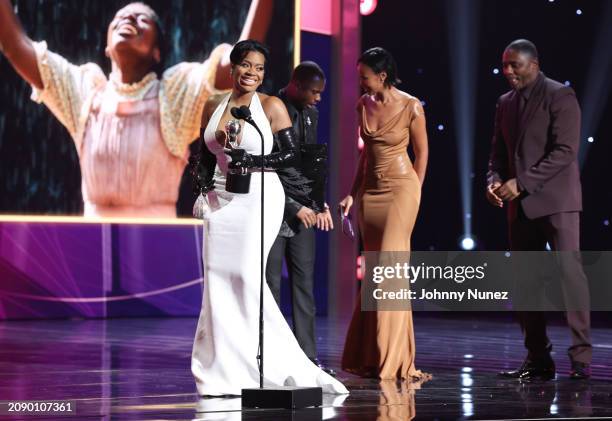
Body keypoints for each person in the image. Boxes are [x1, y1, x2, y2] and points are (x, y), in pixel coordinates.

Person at [0, 0, 272, 217]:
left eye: (143, 18)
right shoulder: (83, 94)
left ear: (157, 52)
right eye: (119, 18)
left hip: (155, 253)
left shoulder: (175, 97)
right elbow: (15, 45)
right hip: (91, 249)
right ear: (107, 47)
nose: (128, 19)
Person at [190, 40, 348, 396]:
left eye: (259, 68)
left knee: (247, 277)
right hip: (220, 201)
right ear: (233, 68)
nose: (252, 73)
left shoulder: (271, 106)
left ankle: (259, 363)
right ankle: (222, 368)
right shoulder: (214, 105)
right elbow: (204, 154)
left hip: (258, 198)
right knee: (217, 280)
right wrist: (201, 189)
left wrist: (253, 163)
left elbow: (290, 156)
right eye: (246, 65)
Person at [487, 39, 591, 380]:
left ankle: (581, 357)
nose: (508, 71)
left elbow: (565, 150)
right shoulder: (505, 103)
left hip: (557, 201)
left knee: (569, 275)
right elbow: (498, 155)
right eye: (504, 65)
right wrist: (494, 180)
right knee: (526, 280)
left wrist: (523, 182)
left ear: (534, 63)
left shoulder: (560, 95)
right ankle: (537, 357)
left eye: (514, 65)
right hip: (520, 205)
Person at [339, 47, 429, 380]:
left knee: (390, 271)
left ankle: (394, 360)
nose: (359, 81)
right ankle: (371, 354)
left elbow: (422, 154)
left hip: (402, 190)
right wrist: (352, 194)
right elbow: (366, 157)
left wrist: (415, 193)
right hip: (371, 197)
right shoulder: (363, 104)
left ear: (382, 75)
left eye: (364, 76)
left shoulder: (411, 106)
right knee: (377, 272)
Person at [265, 61, 335, 374]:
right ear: (296, 84)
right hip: (275, 209)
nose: (318, 98)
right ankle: (271, 358)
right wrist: (294, 206)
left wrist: (320, 204)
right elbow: (271, 167)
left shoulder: (312, 113)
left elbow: (309, 165)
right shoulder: (270, 107)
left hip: (305, 212)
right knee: (270, 287)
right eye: (314, 91)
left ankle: (307, 360)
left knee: (304, 285)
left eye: (321, 93)